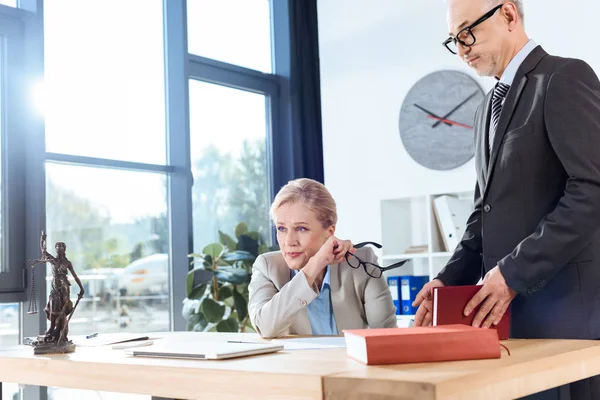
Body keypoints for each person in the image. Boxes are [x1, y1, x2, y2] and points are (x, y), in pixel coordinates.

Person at [413, 1, 600, 398]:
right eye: (453, 40)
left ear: (509, 16)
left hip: (567, 325)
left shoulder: (564, 77)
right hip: (506, 327)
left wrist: (513, 273)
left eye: (467, 32)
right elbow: (484, 213)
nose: (461, 48)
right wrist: (448, 279)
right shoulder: (484, 110)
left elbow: (592, 189)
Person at [248, 178, 398, 338]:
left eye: (301, 228)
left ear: (330, 231)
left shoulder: (360, 263)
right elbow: (265, 327)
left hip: (351, 363)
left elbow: (387, 336)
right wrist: (315, 265)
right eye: (282, 228)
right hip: (297, 364)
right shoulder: (267, 267)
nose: (289, 241)